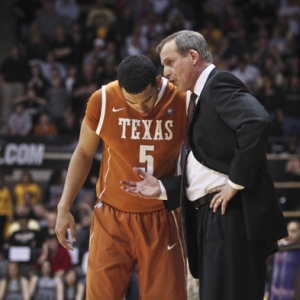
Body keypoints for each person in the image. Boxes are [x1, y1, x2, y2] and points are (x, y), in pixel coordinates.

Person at [120, 30, 288, 300]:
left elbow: (256, 122)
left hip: (230, 214)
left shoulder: (218, 83)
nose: (165, 72)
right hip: (213, 216)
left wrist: (235, 182)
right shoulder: (197, 98)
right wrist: (163, 188)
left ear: (193, 56)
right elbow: (207, 167)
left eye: (170, 62)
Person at [55, 54, 188, 299]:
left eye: (146, 101)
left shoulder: (181, 100)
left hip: (162, 216)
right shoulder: (103, 100)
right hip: (111, 217)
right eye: (132, 103)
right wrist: (64, 206)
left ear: (157, 82)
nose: (141, 109)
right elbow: (84, 152)